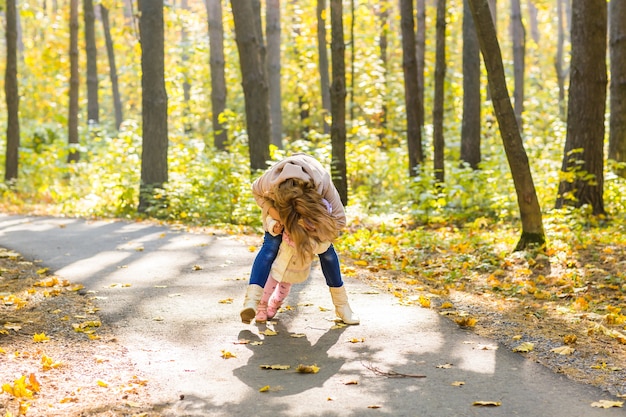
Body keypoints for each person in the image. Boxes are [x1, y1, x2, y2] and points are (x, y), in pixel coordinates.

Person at [240, 153, 359, 325]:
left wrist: (311, 226)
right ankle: (252, 302)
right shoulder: (270, 181)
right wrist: (275, 214)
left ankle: (342, 306)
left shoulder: (322, 182)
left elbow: (340, 220)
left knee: (327, 252)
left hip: (313, 219)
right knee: (270, 246)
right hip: (279, 215)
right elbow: (256, 191)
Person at [255, 216, 331, 323]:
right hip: (283, 258)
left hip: (297, 263)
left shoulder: (318, 219)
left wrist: (310, 245)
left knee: (285, 287)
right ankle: (262, 305)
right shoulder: (291, 211)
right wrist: (276, 227)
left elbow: (325, 244)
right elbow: (272, 218)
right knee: (270, 282)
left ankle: (275, 303)